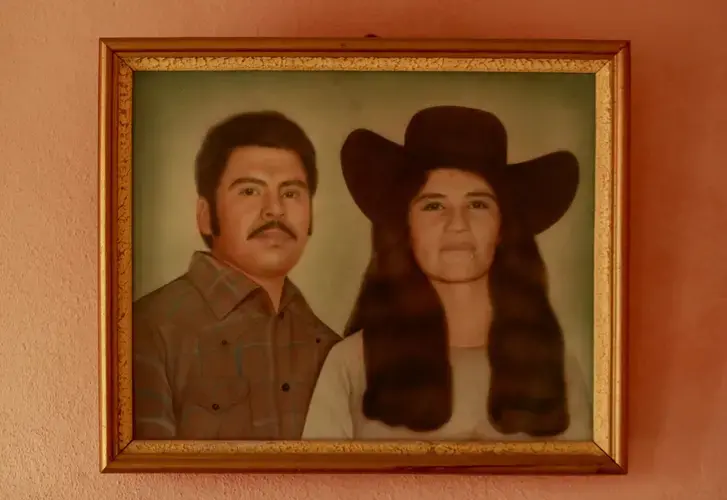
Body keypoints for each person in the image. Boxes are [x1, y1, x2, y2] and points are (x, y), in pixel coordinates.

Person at [302, 105, 592, 441]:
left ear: (502, 228)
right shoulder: (350, 365)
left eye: (478, 204)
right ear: (405, 226)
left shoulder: (556, 368)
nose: (458, 225)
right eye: (434, 205)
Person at [132, 111, 341, 440]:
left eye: (291, 193)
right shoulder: (147, 330)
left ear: (311, 216)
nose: (275, 209)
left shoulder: (331, 349)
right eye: (249, 191)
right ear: (205, 215)